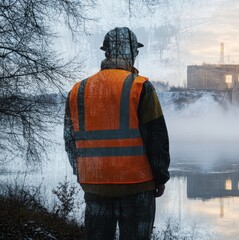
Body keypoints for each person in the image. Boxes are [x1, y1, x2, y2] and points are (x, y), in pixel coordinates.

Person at [64, 27, 170, 240]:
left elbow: (70, 139)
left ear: (106, 52)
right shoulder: (140, 87)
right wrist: (160, 178)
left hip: (95, 188)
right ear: (132, 53)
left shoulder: (79, 90)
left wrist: (83, 173)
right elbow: (156, 137)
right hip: (137, 186)